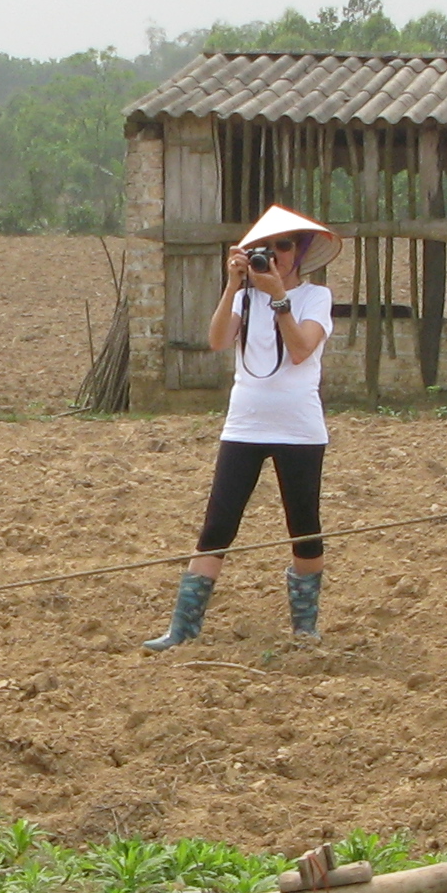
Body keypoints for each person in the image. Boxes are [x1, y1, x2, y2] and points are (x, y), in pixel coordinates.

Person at [145, 206, 337, 646]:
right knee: (217, 525)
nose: (276, 256)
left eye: (285, 246)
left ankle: (305, 627)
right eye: (265, 249)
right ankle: (182, 629)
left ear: (301, 252)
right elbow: (216, 340)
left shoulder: (315, 298)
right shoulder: (245, 297)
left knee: (304, 526)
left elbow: (302, 349)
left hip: (299, 430)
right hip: (244, 426)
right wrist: (234, 285)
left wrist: (279, 299)